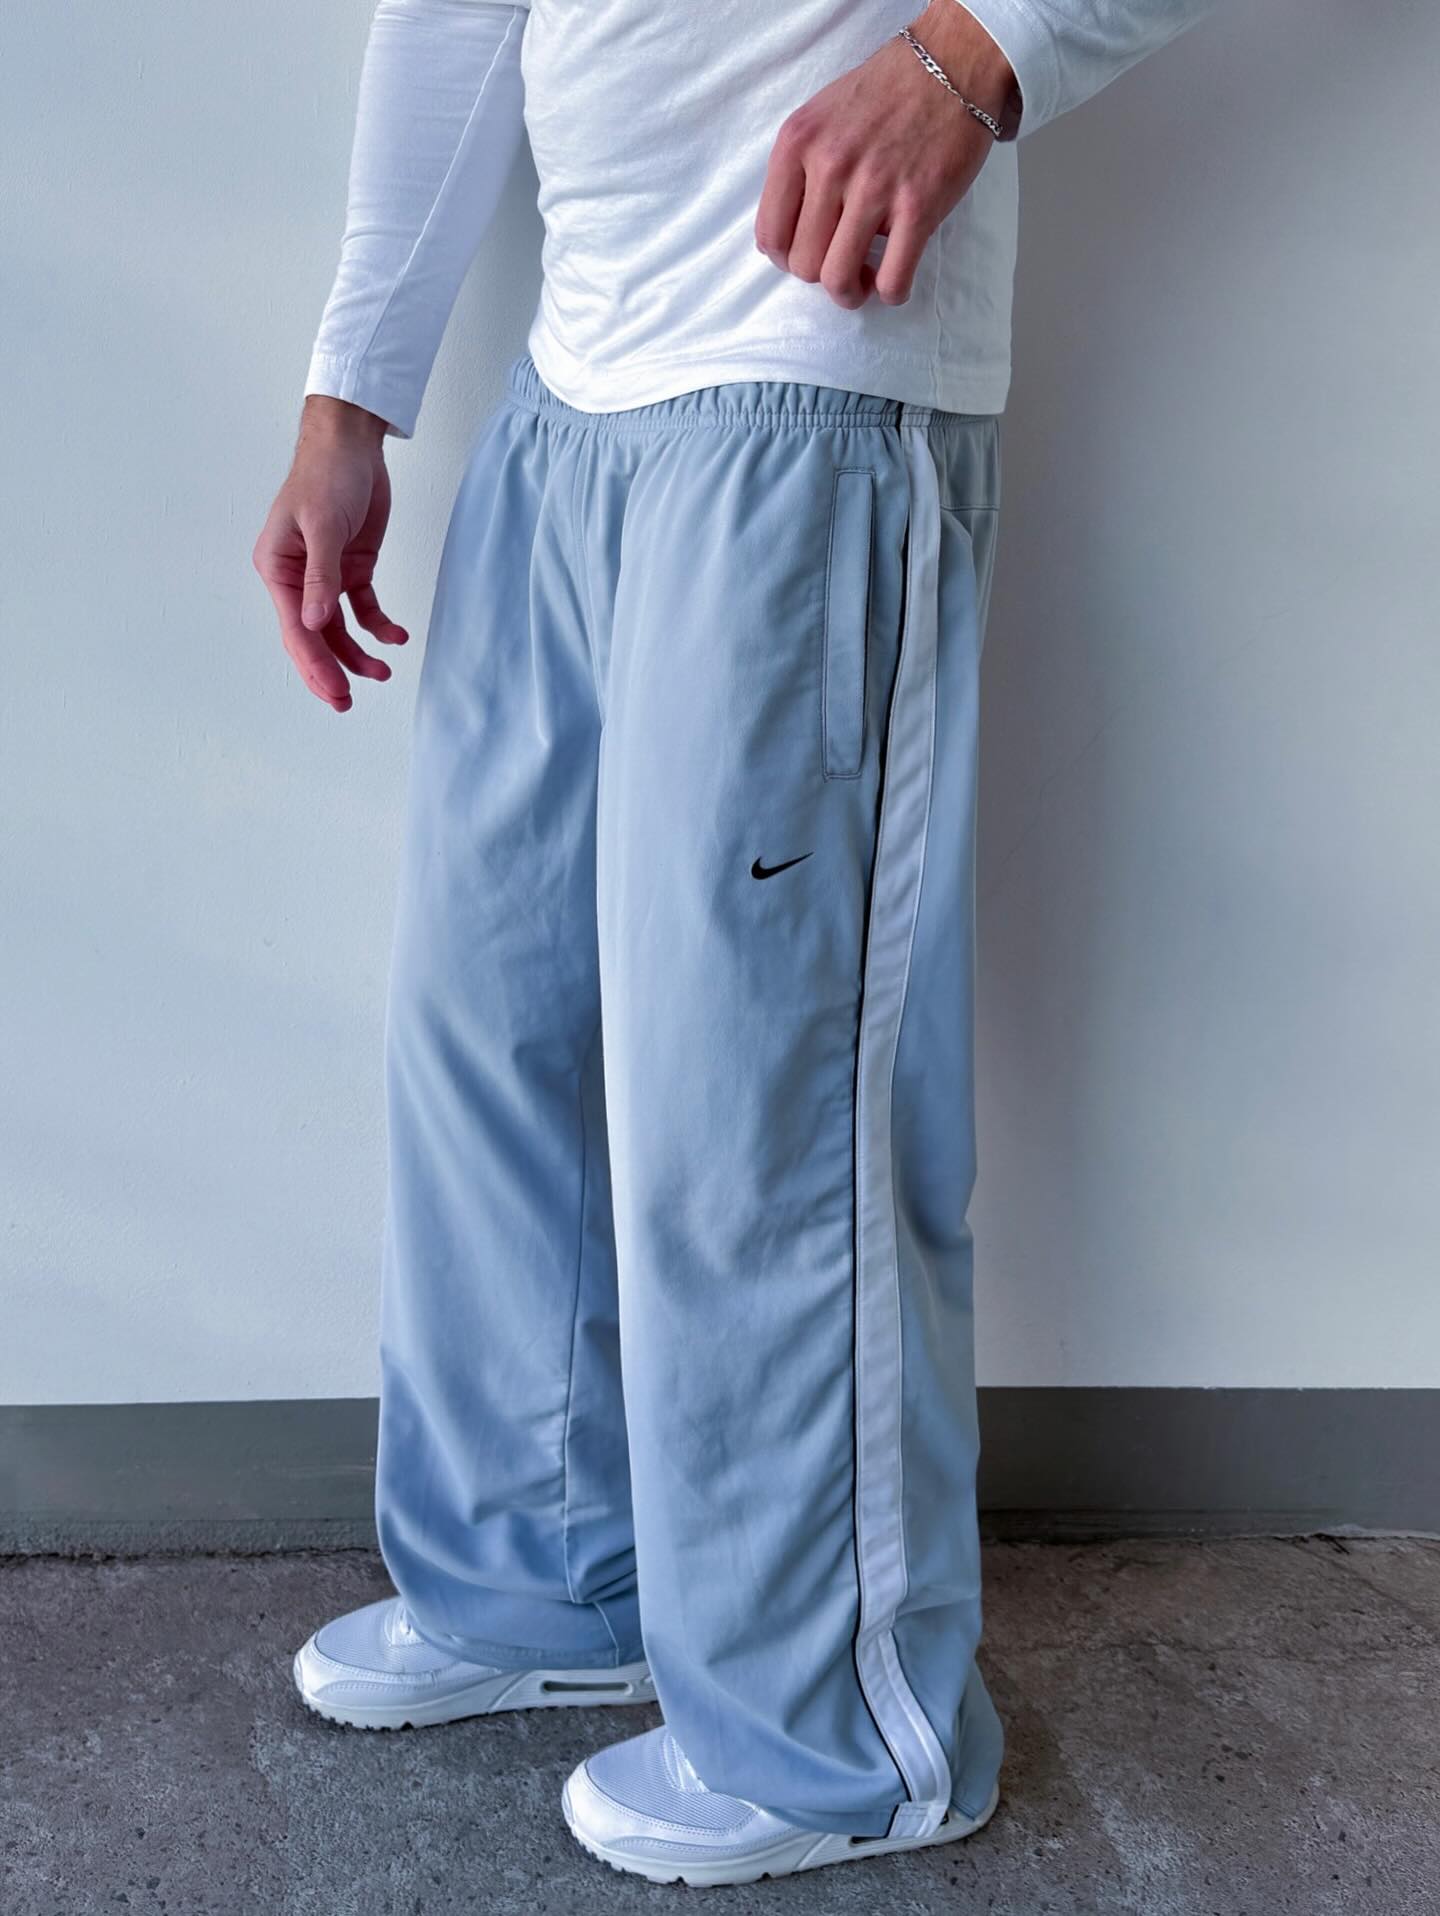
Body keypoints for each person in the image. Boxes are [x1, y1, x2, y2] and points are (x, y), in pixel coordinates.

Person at [253, 0, 1215, 1887]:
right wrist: (348, 397)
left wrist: (978, 53)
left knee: (756, 1104)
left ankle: (848, 1736)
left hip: (811, 374)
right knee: (493, 1044)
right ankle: (545, 1578)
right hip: (570, 397)